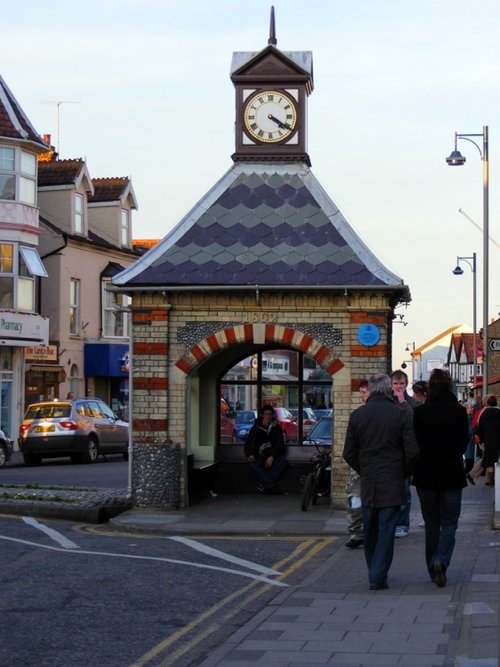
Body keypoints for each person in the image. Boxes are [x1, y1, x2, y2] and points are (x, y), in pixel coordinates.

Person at [343, 374, 419, 590]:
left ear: (371, 389)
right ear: (387, 390)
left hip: (369, 481)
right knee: (386, 530)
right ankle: (377, 575)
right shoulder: (399, 414)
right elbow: (412, 450)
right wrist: (403, 471)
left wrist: (364, 469)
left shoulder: (358, 415)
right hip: (392, 480)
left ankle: (374, 570)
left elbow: (348, 452)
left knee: (371, 529)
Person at [412, 369, 469, 587]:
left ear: (430, 387)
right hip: (452, 474)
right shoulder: (459, 412)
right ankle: (441, 561)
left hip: (426, 475)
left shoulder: (420, 413)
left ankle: (432, 566)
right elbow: (464, 442)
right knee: (450, 522)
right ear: (449, 386)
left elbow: (415, 444)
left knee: (431, 523)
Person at [391, 370, 420, 538]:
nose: (398, 387)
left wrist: (403, 403)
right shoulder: (386, 403)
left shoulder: (413, 404)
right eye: (395, 384)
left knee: (404, 491)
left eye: (401, 383)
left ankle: (402, 523)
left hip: (405, 455)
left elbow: (411, 425)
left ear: (406, 384)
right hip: (389, 453)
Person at [345, 380, 368, 549]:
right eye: (361, 393)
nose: (362, 396)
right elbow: (349, 449)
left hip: (368, 467)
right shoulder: (357, 415)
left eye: (364, 392)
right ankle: (357, 532)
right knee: (355, 501)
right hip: (360, 467)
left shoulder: (360, 415)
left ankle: (364, 531)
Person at [244, 405, 288, 494]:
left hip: (273, 455)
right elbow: (248, 443)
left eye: (270, 414)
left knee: (282, 462)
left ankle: (264, 485)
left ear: (272, 415)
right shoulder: (256, 428)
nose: (268, 416)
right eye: (266, 414)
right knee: (253, 465)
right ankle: (271, 487)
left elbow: (280, 444)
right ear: (262, 415)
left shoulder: (277, 428)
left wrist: (271, 456)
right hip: (259, 455)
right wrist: (250, 454)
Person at [475, 394, 500, 486]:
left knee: (489, 463)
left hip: (488, 442)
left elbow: (480, 428)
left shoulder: (483, 413)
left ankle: (490, 481)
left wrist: (481, 440)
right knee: (498, 461)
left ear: (487, 403)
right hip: (498, 441)